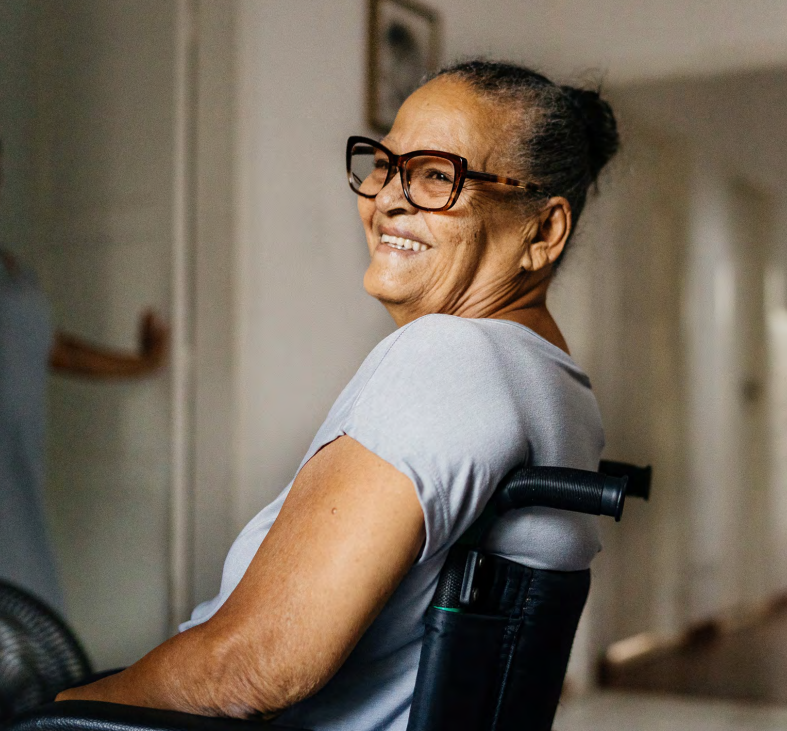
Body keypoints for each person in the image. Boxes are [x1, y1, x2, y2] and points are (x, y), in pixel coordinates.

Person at [57, 60, 620, 729]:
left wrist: (56, 711)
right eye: (383, 164)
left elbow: (251, 664)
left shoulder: (450, 353)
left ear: (542, 231)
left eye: (436, 175)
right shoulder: (560, 389)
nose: (386, 198)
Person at [0, 144, 169, 615]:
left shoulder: (11, 267)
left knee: (32, 628)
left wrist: (142, 363)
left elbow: (50, 348)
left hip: (18, 487)